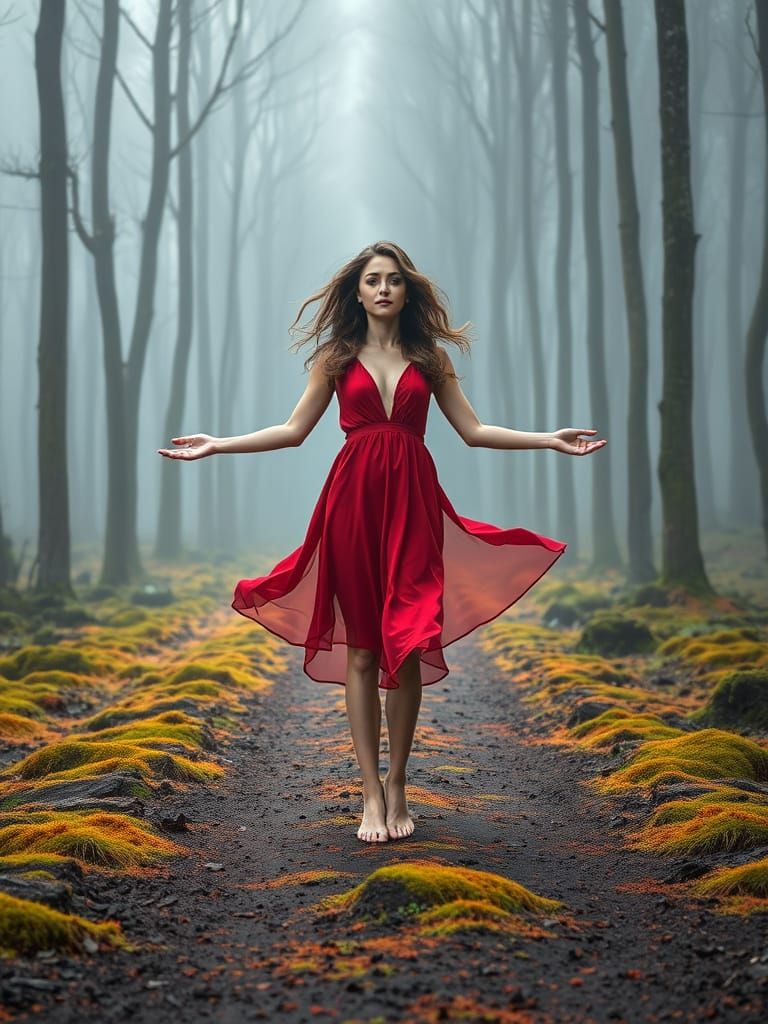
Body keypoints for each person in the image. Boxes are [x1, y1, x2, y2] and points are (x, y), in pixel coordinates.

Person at [158, 240, 607, 845]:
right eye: (372, 280)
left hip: (414, 506)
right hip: (352, 506)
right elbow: (292, 430)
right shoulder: (336, 358)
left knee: (410, 640)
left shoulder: (431, 358)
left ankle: (398, 783)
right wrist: (219, 444)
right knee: (364, 652)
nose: (383, 289)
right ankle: (370, 792)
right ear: (358, 292)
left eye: (393, 279)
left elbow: (474, 431)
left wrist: (548, 439)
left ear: (407, 289)